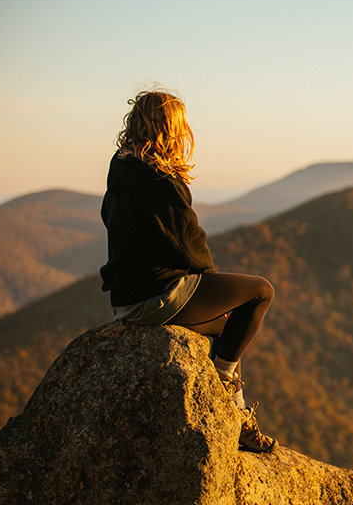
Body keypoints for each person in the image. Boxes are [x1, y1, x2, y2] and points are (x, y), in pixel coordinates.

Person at [99, 88, 277, 453]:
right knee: (261, 292)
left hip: (127, 303)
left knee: (229, 332)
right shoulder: (162, 182)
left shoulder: (119, 180)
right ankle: (225, 383)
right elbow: (190, 246)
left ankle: (239, 418)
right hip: (160, 295)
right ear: (172, 129)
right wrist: (213, 289)